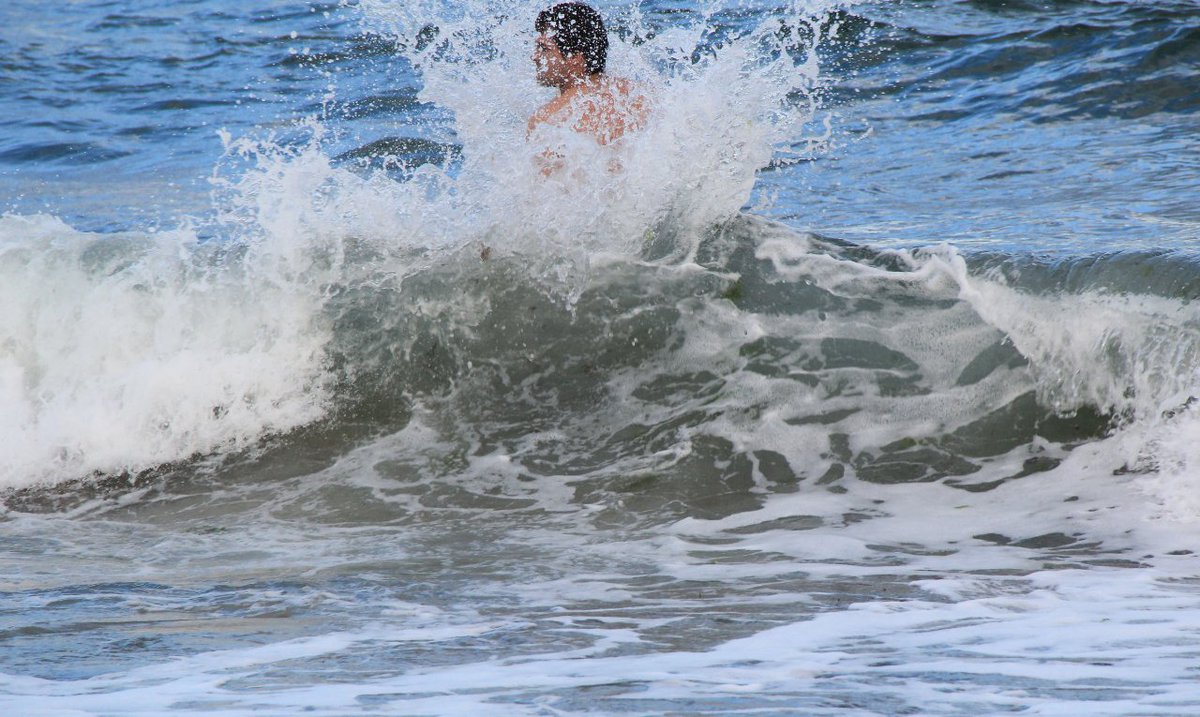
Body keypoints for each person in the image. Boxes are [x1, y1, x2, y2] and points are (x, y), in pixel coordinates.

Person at [527, 2, 649, 148]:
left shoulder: (549, 119)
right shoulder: (639, 95)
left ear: (575, 58)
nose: (534, 56)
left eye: (544, 49)